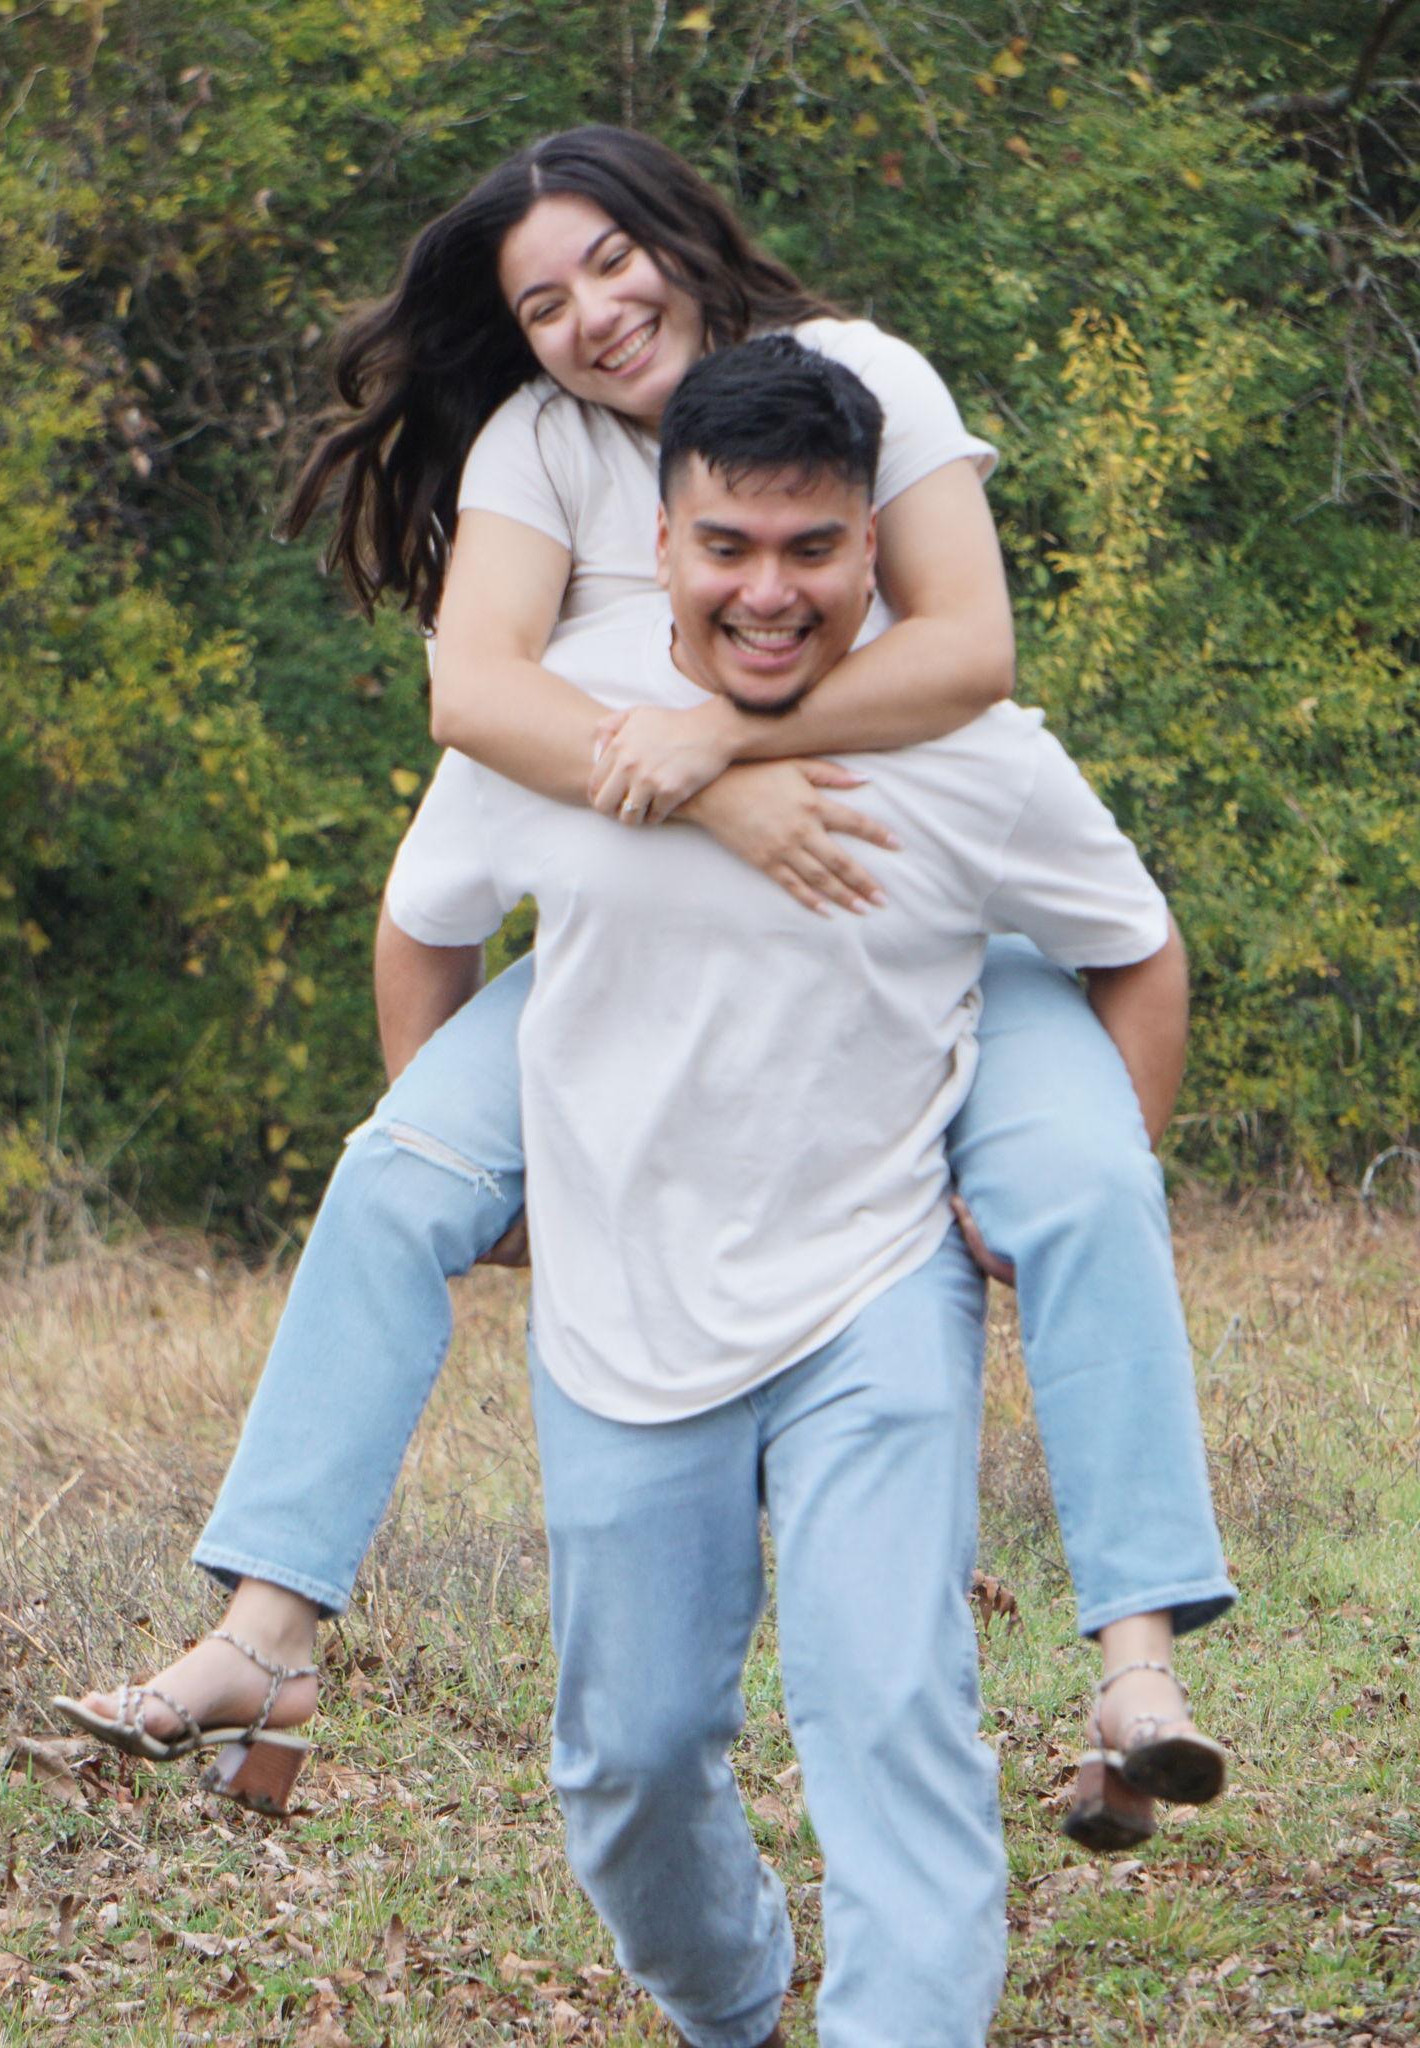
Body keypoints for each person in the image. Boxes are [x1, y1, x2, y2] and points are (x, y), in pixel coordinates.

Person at [55, 126, 1233, 1850]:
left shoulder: (857, 375)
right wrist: (709, 793)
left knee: (1084, 1179)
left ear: (680, 236)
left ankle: (1139, 1671)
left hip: (912, 909)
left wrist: (725, 743)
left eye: (612, 261)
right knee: (397, 1180)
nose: (593, 314)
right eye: (543, 302)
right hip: (650, 933)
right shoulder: (542, 443)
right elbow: (474, 695)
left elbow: (969, 651)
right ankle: (266, 1635)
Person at [385, 335, 1180, 2047]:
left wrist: (1078, 1178)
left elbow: (1137, 948)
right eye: (729, 547)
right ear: (659, 541)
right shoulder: (562, 719)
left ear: (873, 544)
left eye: (814, 548)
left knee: (891, 1709)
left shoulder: (972, 752)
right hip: (623, 1308)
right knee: (630, 1760)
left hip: (875, 1289)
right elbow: (425, 925)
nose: (770, 591)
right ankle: (733, 1997)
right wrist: (485, 1176)